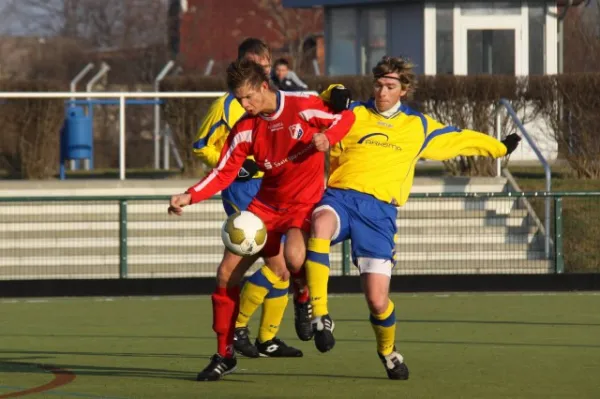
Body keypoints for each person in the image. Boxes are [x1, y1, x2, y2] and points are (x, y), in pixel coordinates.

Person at [305, 55, 521, 380]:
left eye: (390, 86)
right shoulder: (352, 113)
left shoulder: (417, 126)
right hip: (341, 197)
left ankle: (388, 353)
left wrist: (498, 148)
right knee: (319, 225)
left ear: (403, 90)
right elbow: (306, 106)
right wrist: (332, 92)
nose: (382, 91)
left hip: (379, 213)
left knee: (378, 302)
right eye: (378, 84)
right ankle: (320, 315)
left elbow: (459, 137)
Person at [168, 58, 355, 381]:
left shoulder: (303, 107)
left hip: (303, 207)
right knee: (226, 274)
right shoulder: (245, 128)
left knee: (295, 259)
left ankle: (304, 295)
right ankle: (224, 354)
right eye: (238, 99)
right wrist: (190, 195)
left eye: (248, 97)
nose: (244, 104)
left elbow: (347, 117)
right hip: (264, 208)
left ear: (264, 87)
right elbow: (223, 171)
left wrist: (330, 137)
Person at [192, 38, 308, 359]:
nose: (263, 71)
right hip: (243, 191)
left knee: (283, 268)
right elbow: (202, 145)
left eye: (266, 65)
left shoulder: (278, 102)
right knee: (279, 265)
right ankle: (239, 328)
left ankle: (266, 339)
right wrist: (236, 165)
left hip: (272, 190)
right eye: (255, 65)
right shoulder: (227, 105)